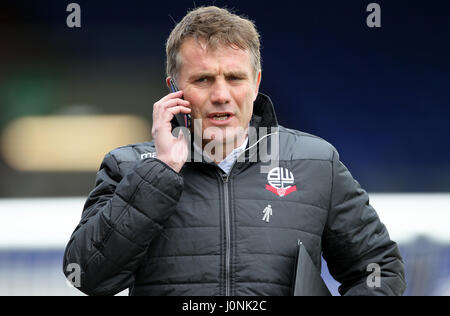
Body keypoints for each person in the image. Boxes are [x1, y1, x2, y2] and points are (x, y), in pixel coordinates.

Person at [63, 6, 406, 296]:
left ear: (256, 83)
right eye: (203, 80)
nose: (221, 95)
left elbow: (379, 270)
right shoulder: (128, 167)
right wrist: (162, 170)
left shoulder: (316, 163)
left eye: (235, 78)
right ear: (173, 89)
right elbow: (87, 275)